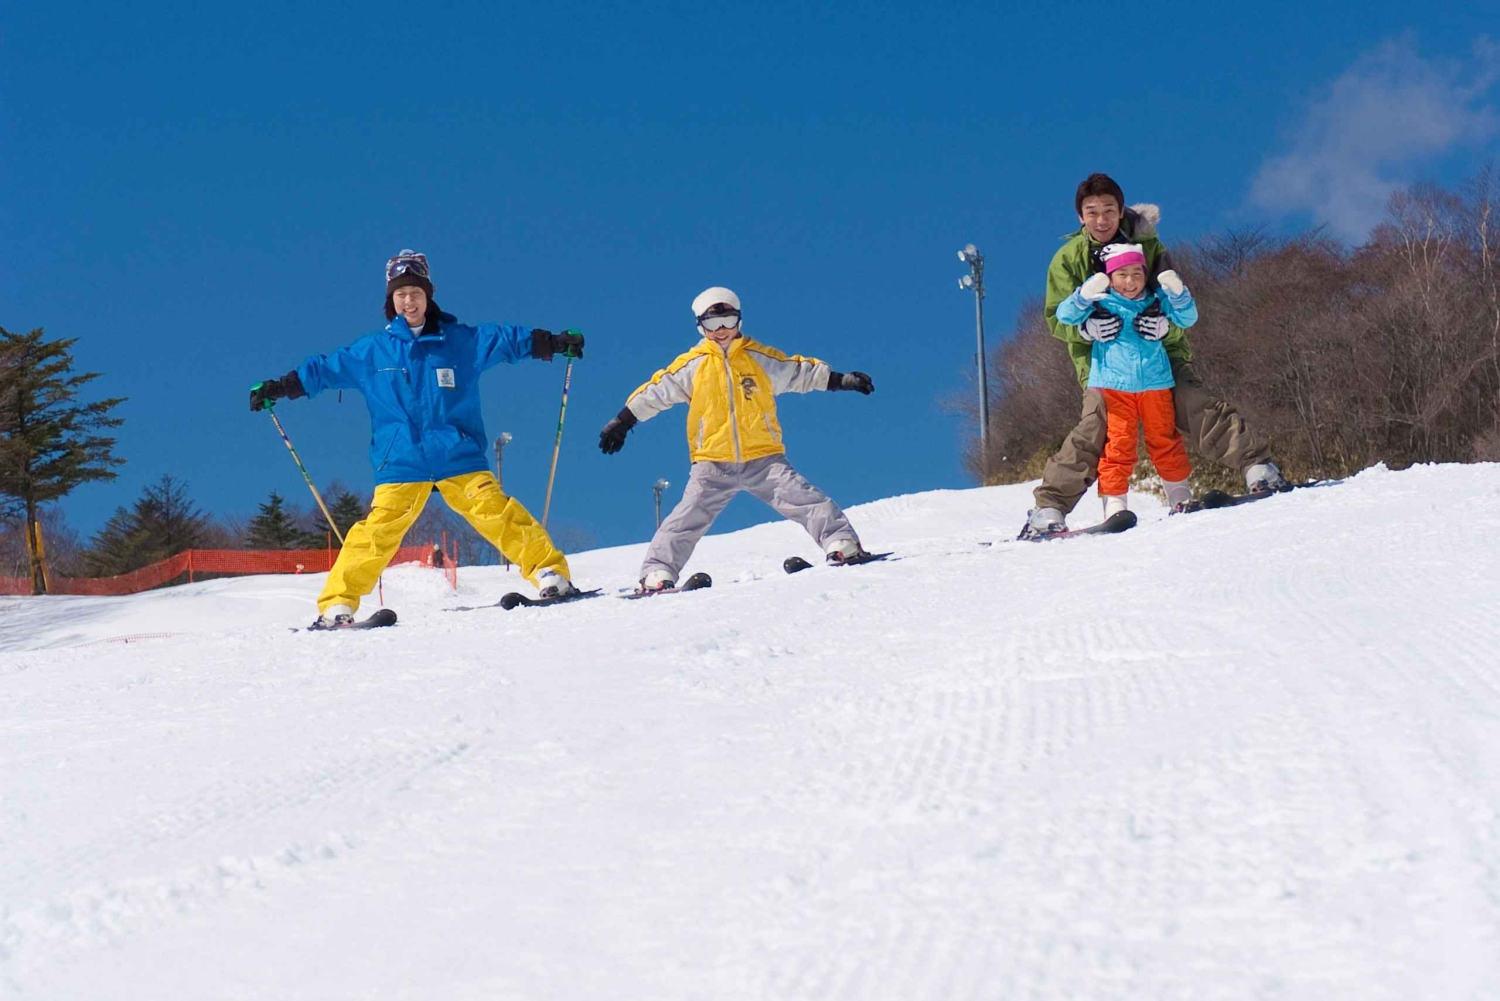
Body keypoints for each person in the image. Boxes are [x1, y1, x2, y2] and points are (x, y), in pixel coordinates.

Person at [250, 249, 585, 628]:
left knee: (495, 511)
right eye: (400, 294)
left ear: (429, 295)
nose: (408, 301)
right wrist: (280, 387)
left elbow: (505, 341)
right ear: (391, 301)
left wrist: (552, 343)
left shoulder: (459, 341)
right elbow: (325, 369)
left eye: (415, 293)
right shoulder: (373, 351)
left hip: (456, 450)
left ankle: (550, 575)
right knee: (376, 533)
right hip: (401, 458)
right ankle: (337, 605)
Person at [1020, 173, 1286, 539]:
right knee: (1095, 426)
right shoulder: (1068, 259)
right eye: (1092, 212)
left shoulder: (1148, 247)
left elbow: (1177, 301)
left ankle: (1259, 468)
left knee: (1195, 403)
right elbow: (1056, 316)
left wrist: (1165, 327)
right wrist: (1084, 330)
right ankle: (1049, 508)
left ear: (1120, 210)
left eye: (1109, 210)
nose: (1102, 220)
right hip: (1106, 367)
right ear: (1080, 216)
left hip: (1160, 357)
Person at [598, 286, 874, 591]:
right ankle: (658, 573)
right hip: (712, 462)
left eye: (727, 321)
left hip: (763, 457)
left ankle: (840, 542)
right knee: (687, 517)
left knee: (804, 498)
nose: (720, 331)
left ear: (739, 321)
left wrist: (841, 380)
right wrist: (623, 422)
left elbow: (798, 372)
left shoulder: (760, 358)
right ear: (700, 327)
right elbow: (657, 391)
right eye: (712, 324)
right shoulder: (693, 365)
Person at [1054, 243, 1197, 516]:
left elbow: (1188, 318)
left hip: (1155, 383)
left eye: (1136, 274)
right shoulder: (1102, 302)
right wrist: (1083, 296)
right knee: (1118, 445)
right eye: (1122, 274)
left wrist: (1178, 294)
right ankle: (1115, 503)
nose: (1130, 282)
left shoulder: (1155, 300)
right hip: (1114, 387)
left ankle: (1179, 494)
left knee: (1165, 440)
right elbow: (1065, 315)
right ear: (1109, 277)